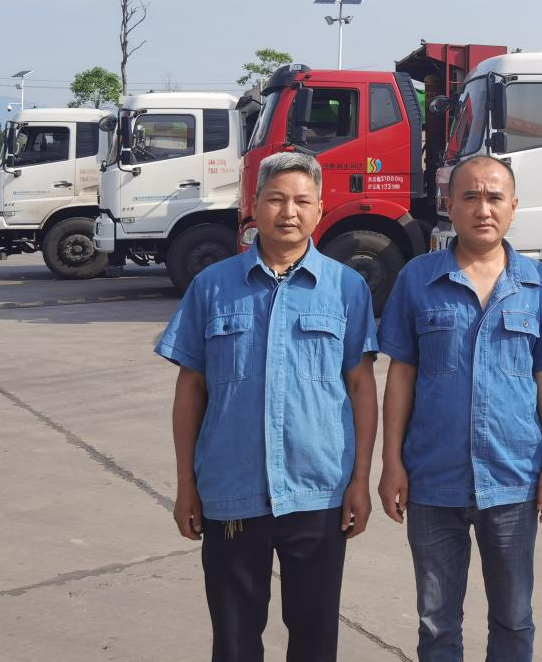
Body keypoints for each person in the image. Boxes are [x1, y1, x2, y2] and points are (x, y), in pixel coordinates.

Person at [157, 151, 378, 662]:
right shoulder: (213, 287)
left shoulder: (346, 288)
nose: (288, 212)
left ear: (320, 208)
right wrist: (186, 484)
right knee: (234, 640)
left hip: (318, 491)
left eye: (302, 200)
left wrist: (361, 480)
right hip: (231, 491)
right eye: (276, 199)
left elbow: (361, 388)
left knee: (314, 638)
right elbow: (191, 389)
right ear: (253, 205)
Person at [377, 155, 542, 661]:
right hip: (432, 478)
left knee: (514, 618)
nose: (482, 209)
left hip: (513, 478)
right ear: (449, 205)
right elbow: (401, 375)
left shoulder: (538, 283)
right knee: (436, 624)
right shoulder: (417, 279)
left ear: (513, 206)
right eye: (470, 197)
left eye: (494, 198)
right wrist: (391, 461)